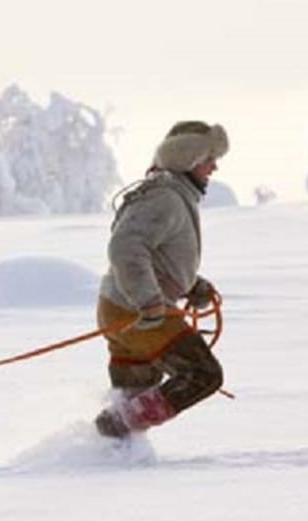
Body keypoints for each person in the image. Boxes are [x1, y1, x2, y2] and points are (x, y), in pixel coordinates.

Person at [93, 121, 228, 439]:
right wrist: (148, 300)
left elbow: (156, 255)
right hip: (137, 313)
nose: (215, 167)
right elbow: (125, 248)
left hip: (122, 308)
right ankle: (111, 429)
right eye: (209, 157)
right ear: (189, 157)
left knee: (135, 400)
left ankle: (102, 450)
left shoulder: (171, 194)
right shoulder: (164, 197)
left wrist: (191, 285)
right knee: (203, 375)